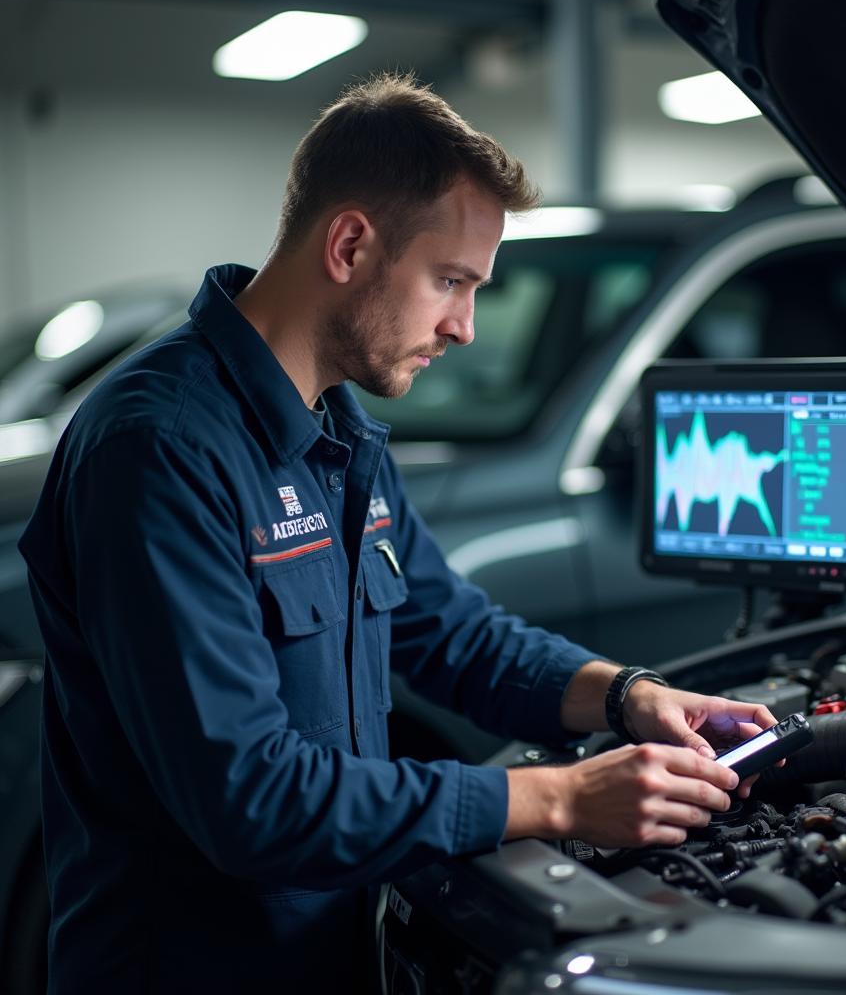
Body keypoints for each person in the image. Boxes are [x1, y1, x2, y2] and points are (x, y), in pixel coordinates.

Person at [19, 73, 776, 993]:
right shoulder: (160, 449)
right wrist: (560, 797)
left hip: (330, 951)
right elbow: (250, 797)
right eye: (449, 282)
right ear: (349, 244)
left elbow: (448, 629)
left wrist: (626, 695)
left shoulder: (336, 430)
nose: (462, 327)